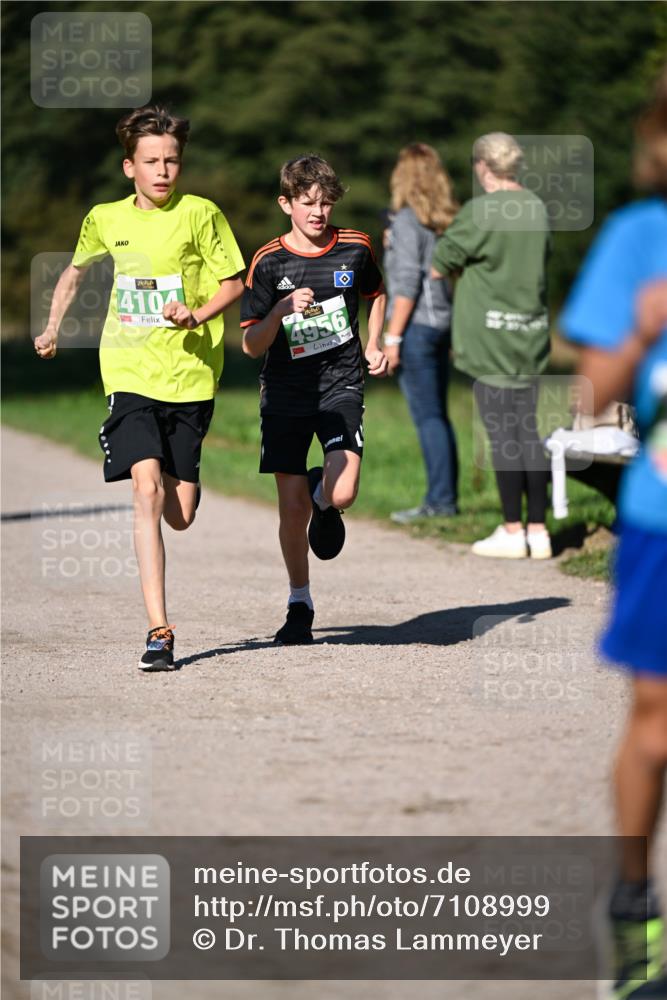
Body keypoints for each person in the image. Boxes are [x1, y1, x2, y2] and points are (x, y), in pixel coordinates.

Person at [34, 104, 245, 671]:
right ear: (130, 166)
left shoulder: (201, 214)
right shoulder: (105, 217)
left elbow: (235, 282)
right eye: (151, 161)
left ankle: (162, 607)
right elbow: (75, 270)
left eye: (172, 161)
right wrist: (52, 326)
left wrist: (197, 315)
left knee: (180, 512)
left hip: (191, 375)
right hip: (128, 371)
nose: (163, 171)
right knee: (145, 490)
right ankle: (159, 631)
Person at [560, 67, 667, 1000]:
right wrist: (638, 336)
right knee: (658, 725)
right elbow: (590, 402)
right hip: (662, 525)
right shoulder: (641, 240)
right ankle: (633, 906)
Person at [240, 154, 387, 645]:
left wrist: (376, 342)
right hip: (285, 391)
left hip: (340, 380)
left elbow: (377, 294)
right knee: (289, 510)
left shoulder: (356, 247)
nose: (318, 213)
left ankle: (325, 498)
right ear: (286, 204)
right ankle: (299, 602)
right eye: (307, 203)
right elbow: (250, 343)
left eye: (325, 203)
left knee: (343, 492)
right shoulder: (269, 261)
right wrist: (281, 309)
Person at [431, 132, 552, 559]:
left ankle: (511, 528)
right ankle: (538, 531)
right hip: (530, 332)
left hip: (490, 336)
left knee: (502, 433)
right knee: (528, 431)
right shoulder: (536, 207)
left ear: (483, 165)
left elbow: (440, 262)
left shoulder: (481, 211)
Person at [382, 143, 459, 524]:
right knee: (439, 416)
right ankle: (444, 497)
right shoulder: (442, 221)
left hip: (417, 327)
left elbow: (408, 284)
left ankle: (440, 501)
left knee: (428, 417)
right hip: (443, 322)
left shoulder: (409, 221)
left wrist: (391, 338)